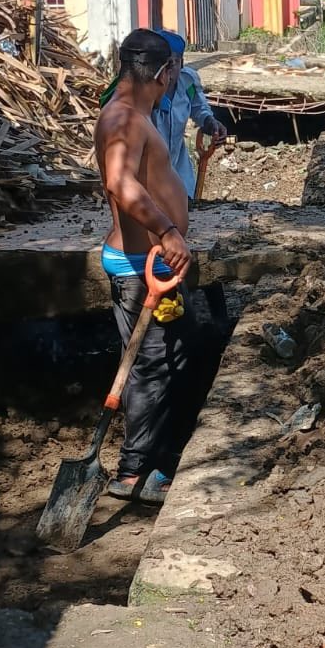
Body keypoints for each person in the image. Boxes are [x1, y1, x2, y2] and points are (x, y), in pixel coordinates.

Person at [95, 28, 196, 504]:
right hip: (142, 265)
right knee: (153, 366)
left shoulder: (132, 114)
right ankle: (137, 471)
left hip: (146, 262)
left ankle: (147, 466)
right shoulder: (122, 120)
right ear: (163, 72)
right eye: (169, 78)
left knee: (162, 361)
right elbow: (119, 183)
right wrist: (168, 230)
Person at [149, 28, 228, 201]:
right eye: (163, 64)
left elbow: (199, 108)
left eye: (173, 63)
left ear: (182, 63)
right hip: (149, 171)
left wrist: (210, 122)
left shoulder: (188, 83)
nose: (168, 70)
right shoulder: (145, 91)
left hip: (178, 168)